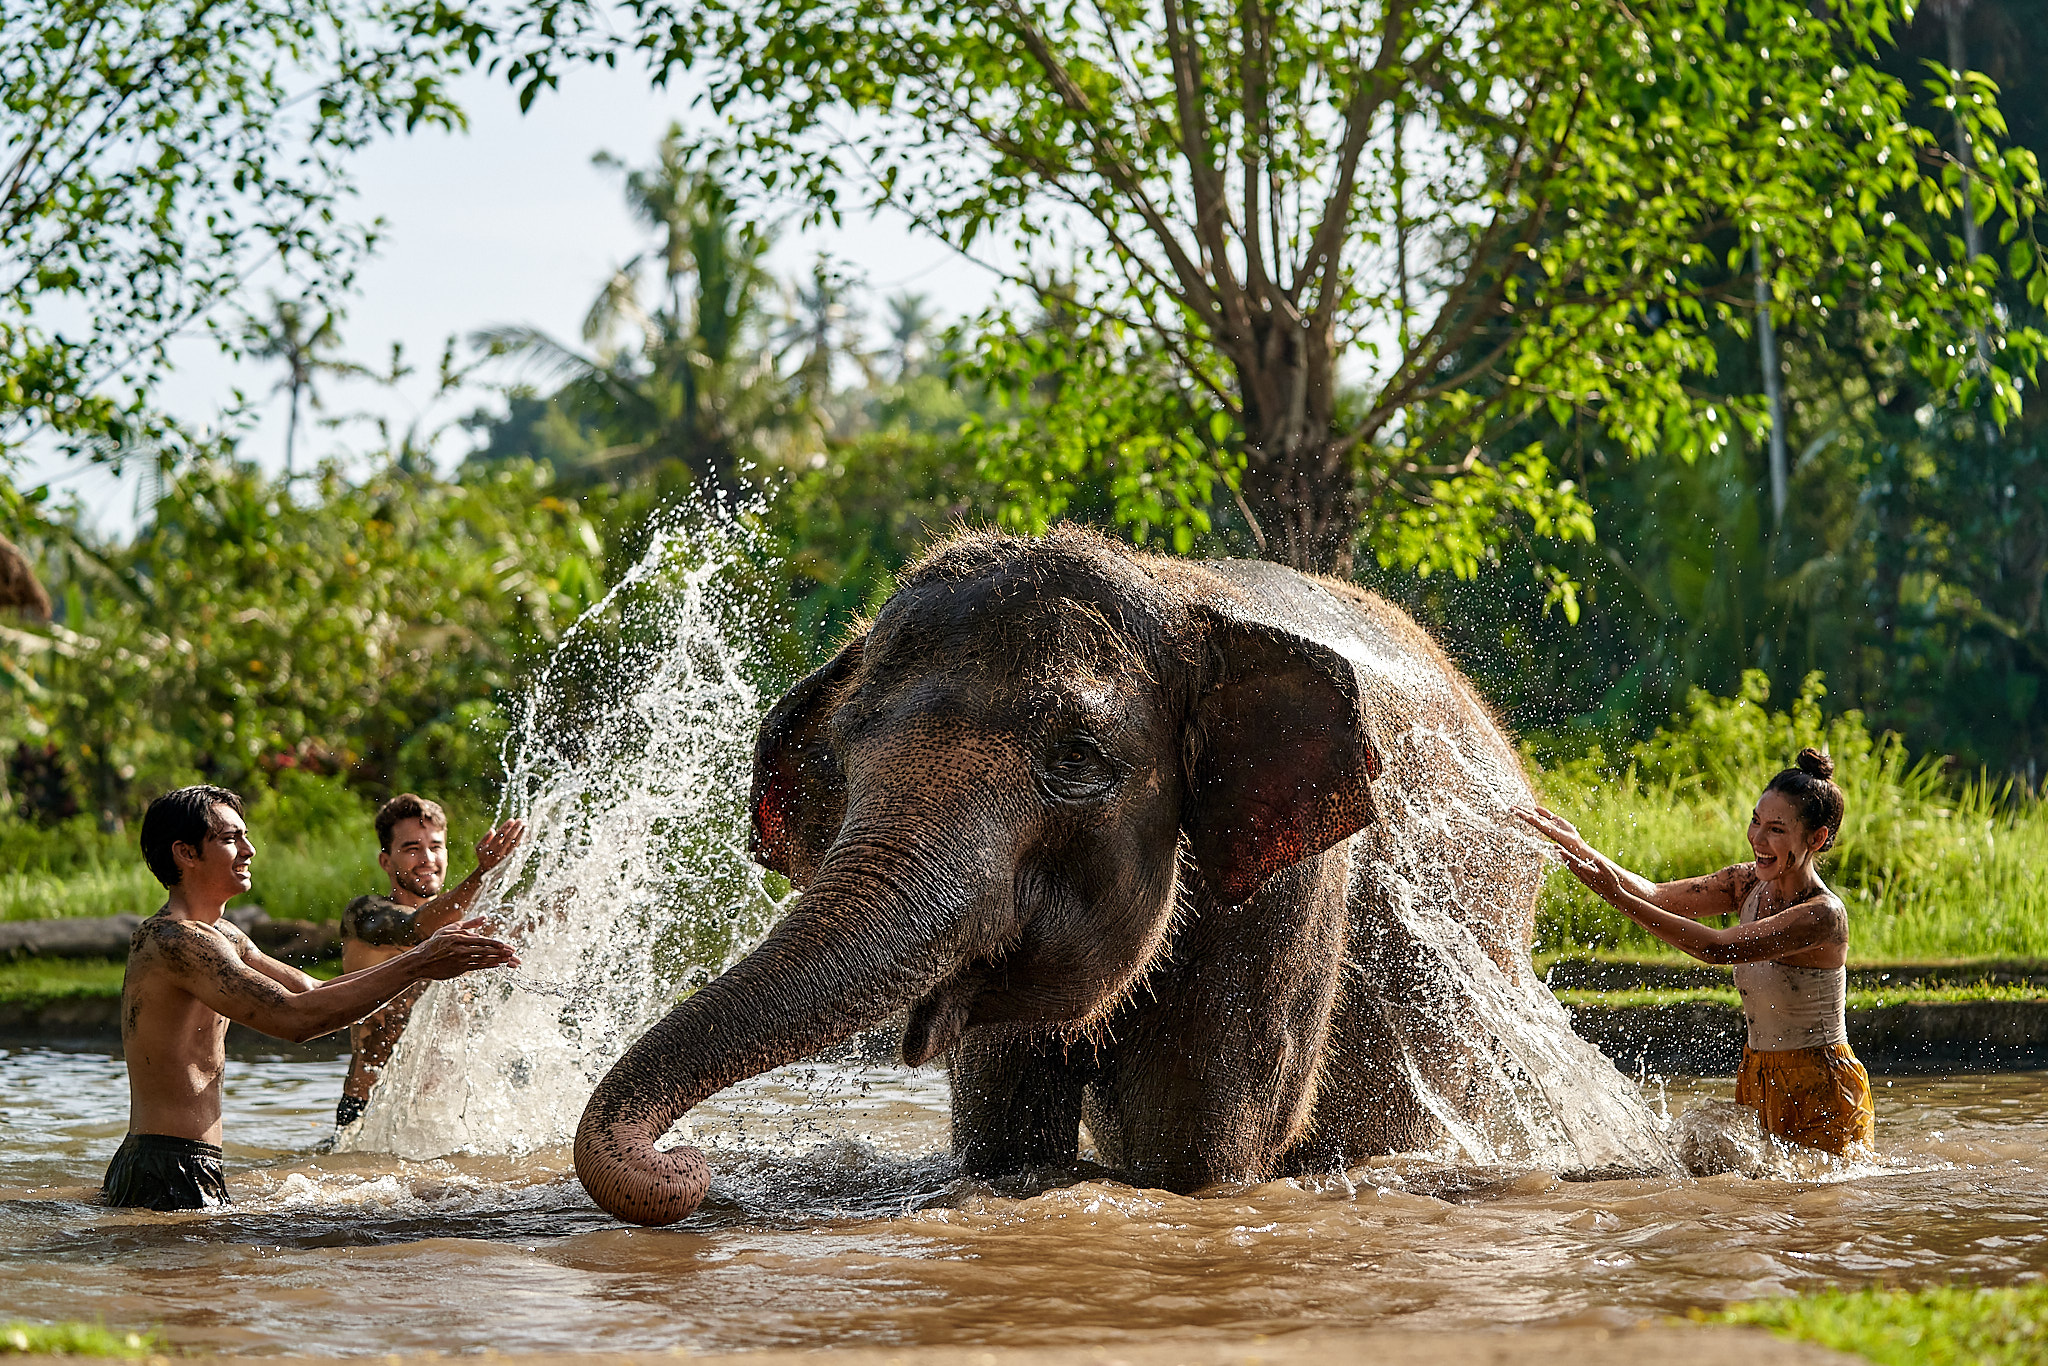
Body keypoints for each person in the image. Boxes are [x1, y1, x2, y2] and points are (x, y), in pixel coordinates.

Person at [108, 785, 519, 1211]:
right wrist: (420, 963)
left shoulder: (223, 934)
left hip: (184, 1161)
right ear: (186, 853)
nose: (249, 850)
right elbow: (294, 1019)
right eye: (230, 839)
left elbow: (312, 991)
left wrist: (422, 960)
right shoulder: (176, 940)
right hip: (168, 1165)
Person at [1514, 748, 1875, 1157]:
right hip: (1758, 1074)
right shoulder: (1745, 883)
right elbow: (1655, 895)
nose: (1757, 839)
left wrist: (1615, 897)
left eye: (1776, 829)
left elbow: (1715, 947)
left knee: (1819, 1208)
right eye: (1756, 822)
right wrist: (1582, 849)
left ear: (1816, 838)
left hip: (1820, 1084)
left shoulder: (1822, 916)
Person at [334, 794, 525, 1128]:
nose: (427, 859)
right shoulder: (364, 915)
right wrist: (483, 873)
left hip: (446, 1117)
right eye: (411, 849)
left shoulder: (468, 926)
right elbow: (418, 927)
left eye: (435, 847)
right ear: (386, 861)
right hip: (371, 1113)